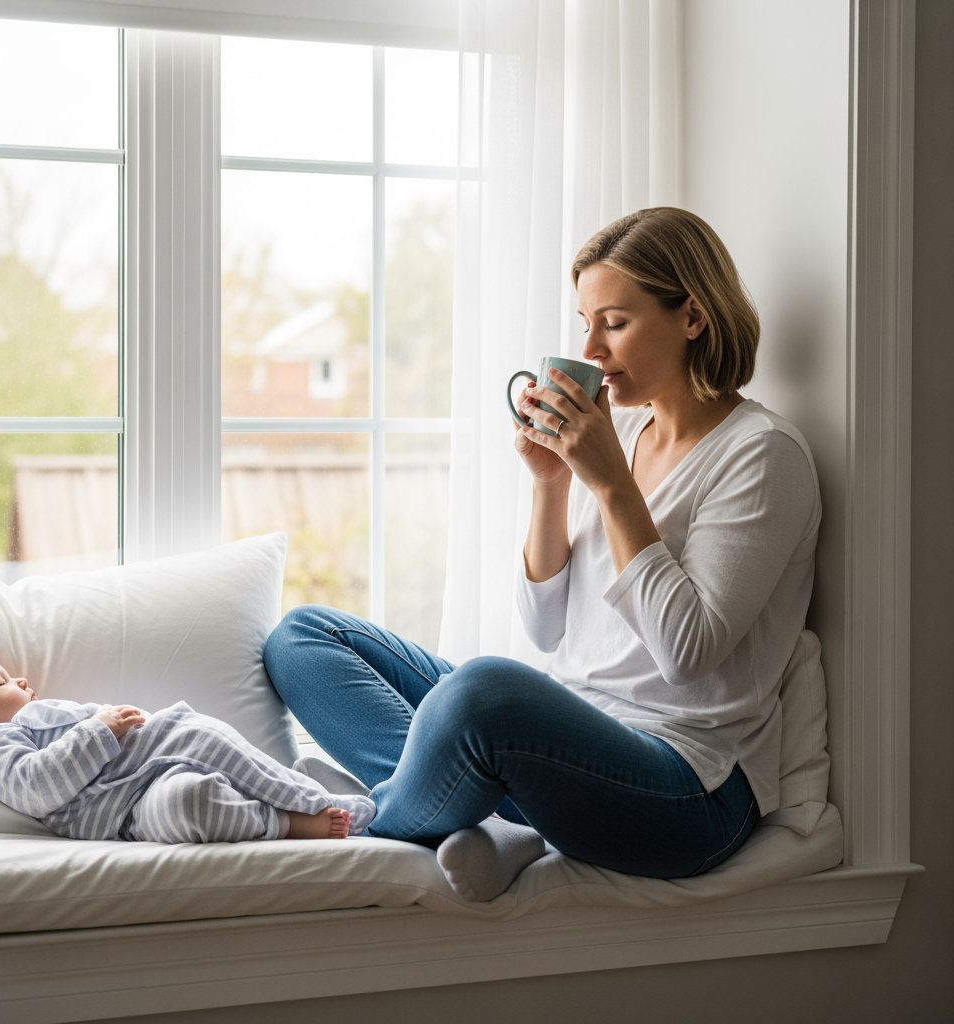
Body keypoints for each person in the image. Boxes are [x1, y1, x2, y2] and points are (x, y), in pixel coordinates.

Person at [263, 207, 821, 901]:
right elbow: (548, 628)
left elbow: (687, 651)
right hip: (572, 736)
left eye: (613, 323)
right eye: (586, 323)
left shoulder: (761, 455)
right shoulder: (623, 434)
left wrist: (611, 483)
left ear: (694, 318)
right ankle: (481, 816)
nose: (591, 348)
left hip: (685, 786)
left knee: (485, 693)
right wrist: (551, 483)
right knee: (305, 636)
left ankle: (393, 816)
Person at [0, 648, 375, 842]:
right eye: (1, 681)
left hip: (151, 751)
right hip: (131, 811)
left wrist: (104, 724)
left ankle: (316, 801)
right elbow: (35, 787)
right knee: (192, 806)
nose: (20, 680)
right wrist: (100, 729)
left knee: (205, 738)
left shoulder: (28, 723)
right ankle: (282, 821)